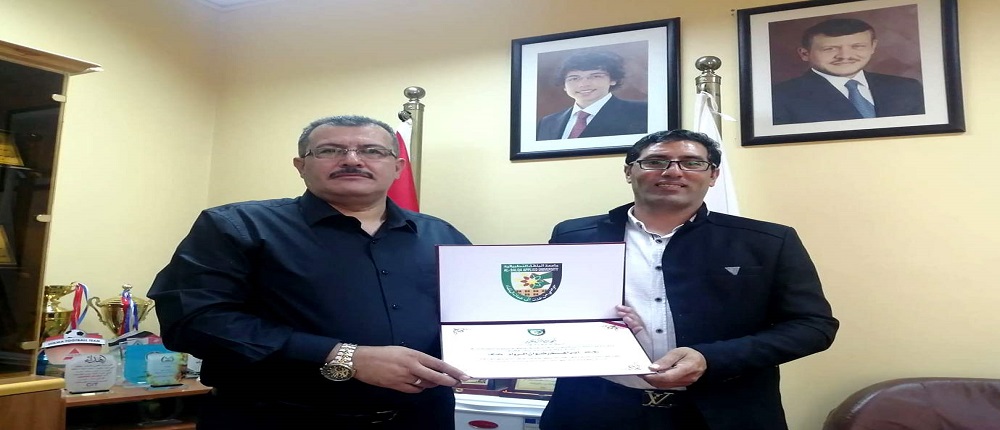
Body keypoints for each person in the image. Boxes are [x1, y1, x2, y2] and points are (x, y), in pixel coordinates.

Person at [148, 115, 472, 429]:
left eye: (372, 151)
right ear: (301, 165)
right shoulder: (236, 227)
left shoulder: (443, 236)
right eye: (330, 150)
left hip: (422, 419)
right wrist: (344, 356)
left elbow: (475, 315)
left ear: (398, 167)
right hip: (272, 419)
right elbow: (193, 320)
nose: (352, 160)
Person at [539, 129, 838, 430]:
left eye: (692, 163)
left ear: (713, 175)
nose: (672, 171)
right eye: (656, 161)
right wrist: (603, 329)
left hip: (723, 414)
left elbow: (813, 327)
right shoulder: (574, 236)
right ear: (629, 172)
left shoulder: (768, 241)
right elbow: (549, 311)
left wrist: (711, 358)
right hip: (594, 411)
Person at [772, 18, 925, 125]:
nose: (845, 56)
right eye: (830, 49)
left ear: (873, 47)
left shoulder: (906, 88)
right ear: (805, 53)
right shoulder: (779, 97)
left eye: (857, 46)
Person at [536, 50, 648, 140]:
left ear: (613, 79)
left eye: (595, 76)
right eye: (574, 78)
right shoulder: (547, 123)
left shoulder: (641, 112)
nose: (584, 84)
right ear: (564, 85)